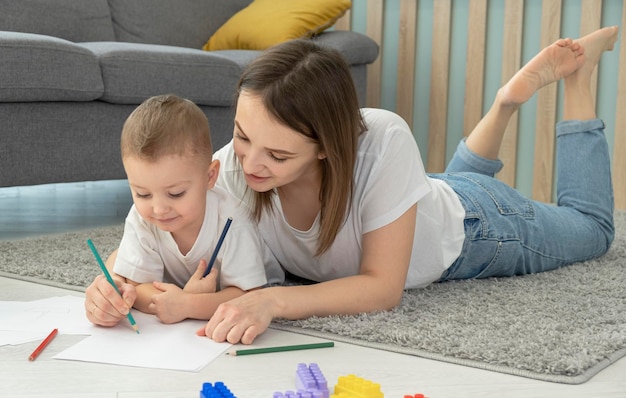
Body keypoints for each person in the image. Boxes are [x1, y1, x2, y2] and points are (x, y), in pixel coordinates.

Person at [86, 26, 619, 344]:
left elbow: (382, 288)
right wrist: (112, 284)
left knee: (594, 232)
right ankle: (503, 105)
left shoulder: (383, 137)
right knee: (433, 188)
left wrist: (272, 302)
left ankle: (578, 78)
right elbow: (157, 220)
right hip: (422, 196)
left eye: (277, 154)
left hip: (480, 228)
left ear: (325, 145)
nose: (249, 164)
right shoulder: (230, 165)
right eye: (243, 137)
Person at [84, 94, 275, 327]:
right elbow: (136, 285)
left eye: (175, 194)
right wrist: (143, 298)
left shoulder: (233, 220)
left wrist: (188, 304)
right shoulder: (141, 218)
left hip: (264, 274)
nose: (159, 209)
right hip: (190, 288)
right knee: (122, 263)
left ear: (210, 176)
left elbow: (250, 295)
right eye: (142, 194)